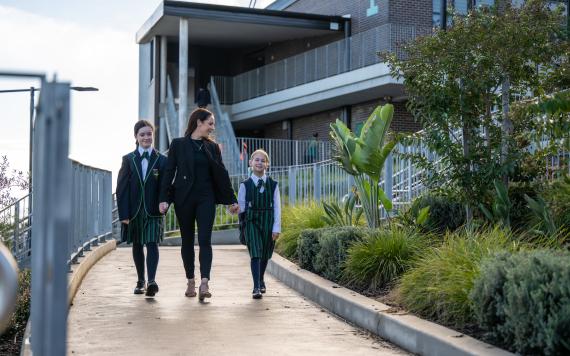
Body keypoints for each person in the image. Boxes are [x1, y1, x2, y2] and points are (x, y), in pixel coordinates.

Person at [159, 108, 238, 301]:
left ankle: (204, 282)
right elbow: (169, 172)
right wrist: (164, 198)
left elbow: (221, 174)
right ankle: (190, 281)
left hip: (206, 198)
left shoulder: (212, 147)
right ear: (198, 123)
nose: (212, 127)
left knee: (204, 240)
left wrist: (231, 200)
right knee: (187, 240)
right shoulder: (178, 144)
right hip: (183, 198)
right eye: (210, 123)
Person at [116, 120, 168, 297]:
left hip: (154, 210)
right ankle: (140, 281)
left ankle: (152, 281)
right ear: (136, 137)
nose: (146, 137)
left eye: (149, 134)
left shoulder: (162, 160)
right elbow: (121, 188)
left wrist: (165, 201)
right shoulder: (128, 159)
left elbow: (165, 185)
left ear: (153, 135)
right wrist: (124, 213)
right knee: (137, 244)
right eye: (142, 134)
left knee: (152, 243)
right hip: (134, 211)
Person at [238, 149, 281, 299]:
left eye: (263, 160)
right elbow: (241, 207)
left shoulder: (273, 185)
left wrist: (276, 227)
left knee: (265, 254)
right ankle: (256, 286)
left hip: (268, 220)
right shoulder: (245, 185)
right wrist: (233, 209)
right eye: (256, 160)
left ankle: (261, 278)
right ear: (250, 163)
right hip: (252, 221)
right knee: (255, 253)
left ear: (267, 165)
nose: (259, 163)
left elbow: (277, 207)